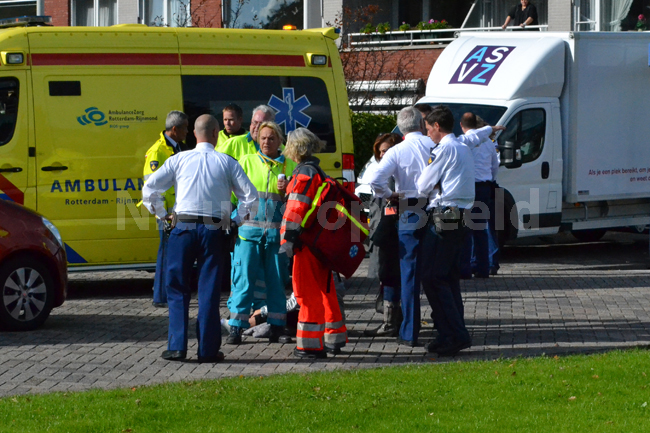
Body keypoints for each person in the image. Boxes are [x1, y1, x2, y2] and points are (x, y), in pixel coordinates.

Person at [141, 114, 257, 363]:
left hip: (182, 227)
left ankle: (177, 347)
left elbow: (150, 188)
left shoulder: (179, 159)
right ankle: (207, 350)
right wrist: (236, 222)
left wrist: (164, 216)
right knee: (209, 289)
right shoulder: (227, 162)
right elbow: (251, 198)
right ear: (216, 133)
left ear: (194, 134)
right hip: (214, 230)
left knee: (177, 288)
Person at [367, 106, 434, 347]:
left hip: (409, 207)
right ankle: (444, 323)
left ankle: (409, 331)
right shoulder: (433, 146)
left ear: (400, 126)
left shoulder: (396, 151)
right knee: (438, 272)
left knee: (409, 274)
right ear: (421, 124)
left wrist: (388, 194)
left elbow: (374, 179)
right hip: (436, 208)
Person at [279, 127, 348, 359]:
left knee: (307, 294)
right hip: (319, 243)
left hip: (305, 243)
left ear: (295, 148)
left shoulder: (303, 174)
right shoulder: (317, 171)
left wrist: (287, 240)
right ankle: (333, 337)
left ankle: (310, 346)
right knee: (325, 290)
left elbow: (295, 209)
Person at [226, 121, 297, 345]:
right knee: (243, 282)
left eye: (272, 138)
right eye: (264, 138)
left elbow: (295, 200)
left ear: (280, 141)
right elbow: (232, 197)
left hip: (276, 236)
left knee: (277, 282)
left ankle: (277, 327)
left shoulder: (289, 166)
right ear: (257, 139)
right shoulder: (246, 162)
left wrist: (286, 192)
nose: (267, 141)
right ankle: (236, 327)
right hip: (248, 234)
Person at [417, 105, 475, 357]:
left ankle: (454, 333)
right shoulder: (463, 147)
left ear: (437, 127)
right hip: (462, 214)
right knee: (447, 276)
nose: (428, 134)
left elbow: (422, 184)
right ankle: (450, 332)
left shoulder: (444, 148)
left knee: (432, 276)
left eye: (429, 129)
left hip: (445, 213)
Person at [142, 110, 188, 308]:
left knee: (174, 253)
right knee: (166, 253)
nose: (188, 132)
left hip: (177, 209)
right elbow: (150, 186)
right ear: (175, 129)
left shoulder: (177, 147)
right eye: (185, 128)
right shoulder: (157, 151)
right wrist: (162, 214)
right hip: (167, 213)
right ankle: (160, 296)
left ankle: (168, 293)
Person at [365, 133, 403, 337]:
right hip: (383, 229)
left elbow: (390, 207)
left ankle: (391, 322)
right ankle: (394, 320)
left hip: (390, 232)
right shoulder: (383, 171)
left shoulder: (392, 175)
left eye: (386, 150)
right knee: (387, 277)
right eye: (380, 152)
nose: (382, 155)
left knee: (389, 276)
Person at [459, 113, 503, 279]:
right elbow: (495, 166)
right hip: (484, 187)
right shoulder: (489, 143)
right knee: (481, 228)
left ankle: (465, 268)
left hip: (467, 187)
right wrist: (490, 181)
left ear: (462, 126)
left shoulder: (462, 142)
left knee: (465, 230)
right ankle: (483, 268)